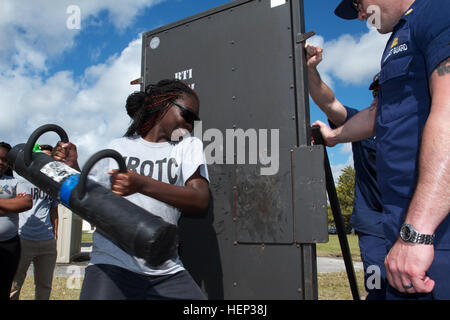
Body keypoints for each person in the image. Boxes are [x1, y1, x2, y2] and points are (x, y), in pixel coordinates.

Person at [314, 0, 449, 299]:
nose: (360, 14)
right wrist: (334, 136)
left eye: (358, 3)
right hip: (398, 222)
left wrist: (418, 232)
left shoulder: (438, 11)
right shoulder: (398, 38)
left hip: (434, 229)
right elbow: (378, 114)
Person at [55, 79, 210, 300]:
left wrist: (141, 184)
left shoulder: (188, 146)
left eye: (194, 120)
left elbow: (200, 199)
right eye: (187, 115)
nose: (190, 124)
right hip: (111, 265)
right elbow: (87, 197)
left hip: (166, 271)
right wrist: (73, 168)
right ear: (163, 104)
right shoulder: (117, 148)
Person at [305, 43, 385, 299]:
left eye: (385, 93)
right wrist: (310, 69)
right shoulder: (361, 123)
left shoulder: (425, 124)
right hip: (376, 229)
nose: (377, 100)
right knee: (377, 289)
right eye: (375, 94)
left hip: (416, 223)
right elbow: (328, 103)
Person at [10, 144, 59, 300]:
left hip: (47, 241)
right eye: (41, 157)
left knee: (44, 285)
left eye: (48, 159)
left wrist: (55, 233)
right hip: (23, 238)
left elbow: (53, 210)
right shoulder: (20, 179)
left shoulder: (52, 184)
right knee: (14, 284)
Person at [0, 142, 32, 300]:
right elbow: (17, 205)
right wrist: (11, 205)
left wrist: (15, 205)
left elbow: (26, 203)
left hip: (10, 244)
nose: (1, 162)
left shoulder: (15, 182)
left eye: (4, 159)